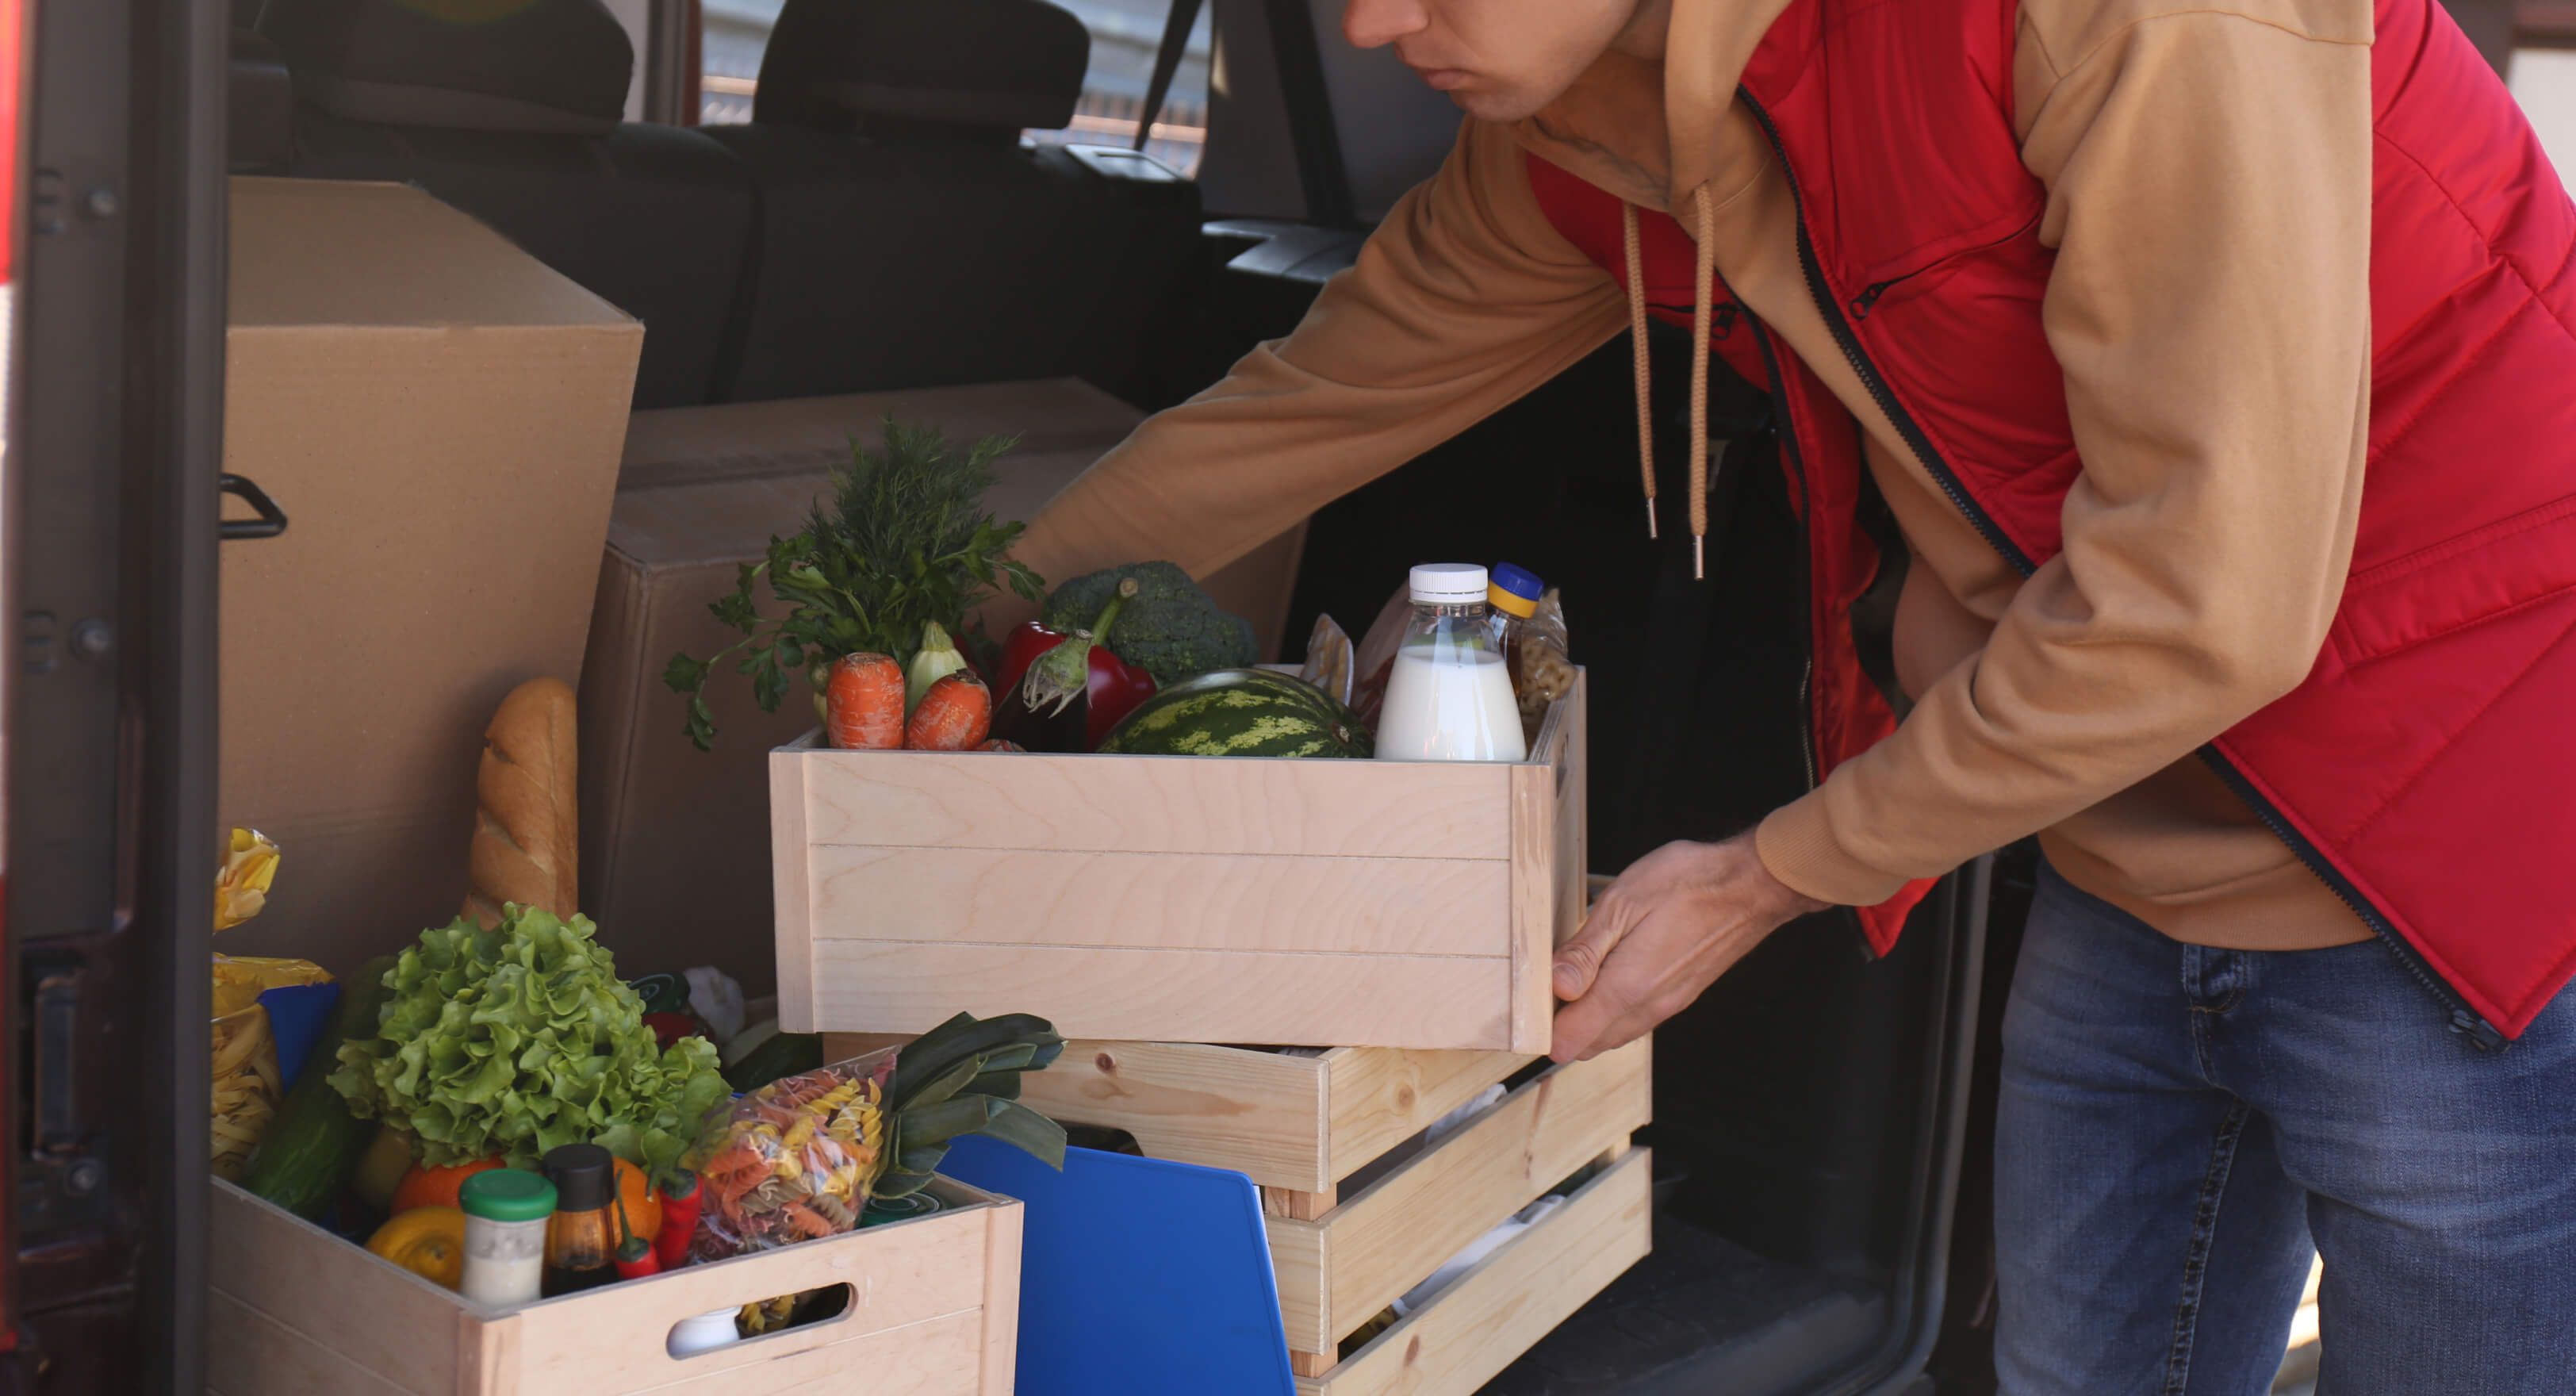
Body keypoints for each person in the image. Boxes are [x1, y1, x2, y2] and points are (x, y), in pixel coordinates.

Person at [1006, 0, 2576, 1389]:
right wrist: (944, 634)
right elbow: (1292, 413)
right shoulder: (1583, 137)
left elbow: (2204, 601)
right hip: (2124, 844)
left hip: (2473, 848)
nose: (1365, 24)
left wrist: (1771, 875)